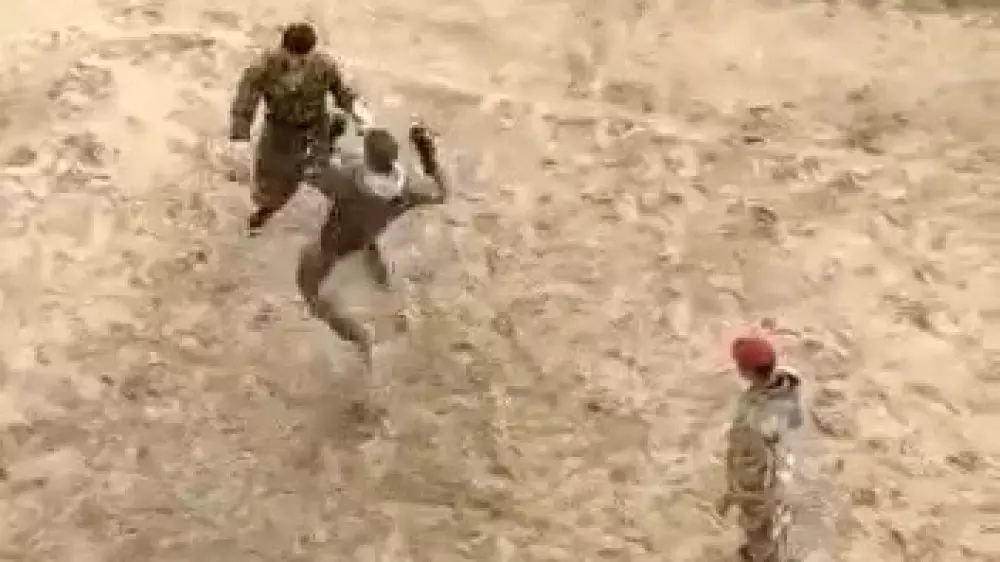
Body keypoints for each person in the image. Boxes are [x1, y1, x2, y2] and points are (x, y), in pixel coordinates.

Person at [296, 119, 448, 363]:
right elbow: (440, 193)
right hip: (367, 235)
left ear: (366, 157)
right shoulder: (407, 190)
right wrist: (427, 154)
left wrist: (327, 138)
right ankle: (383, 284)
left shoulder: (347, 182)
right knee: (368, 242)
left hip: (332, 246)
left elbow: (309, 169)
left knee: (311, 295)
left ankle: (359, 338)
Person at [228, 21, 374, 236]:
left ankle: (350, 220)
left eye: (304, 58)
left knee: (323, 173)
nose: (298, 63)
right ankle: (265, 212)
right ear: (283, 49)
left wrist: (358, 111)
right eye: (293, 57)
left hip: (316, 128)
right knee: (272, 184)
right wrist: (240, 138)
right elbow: (245, 102)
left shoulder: (324, 65)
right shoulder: (262, 68)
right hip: (280, 131)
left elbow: (342, 93)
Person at [717, 336, 805, 562]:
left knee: (759, 527)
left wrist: (736, 492)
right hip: (784, 465)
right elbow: (795, 423)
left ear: (747, 372)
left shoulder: (757, 424)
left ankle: (762, 555)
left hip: (764, 484)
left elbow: (755, 469)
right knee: (776, 522)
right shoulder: (788, 383)